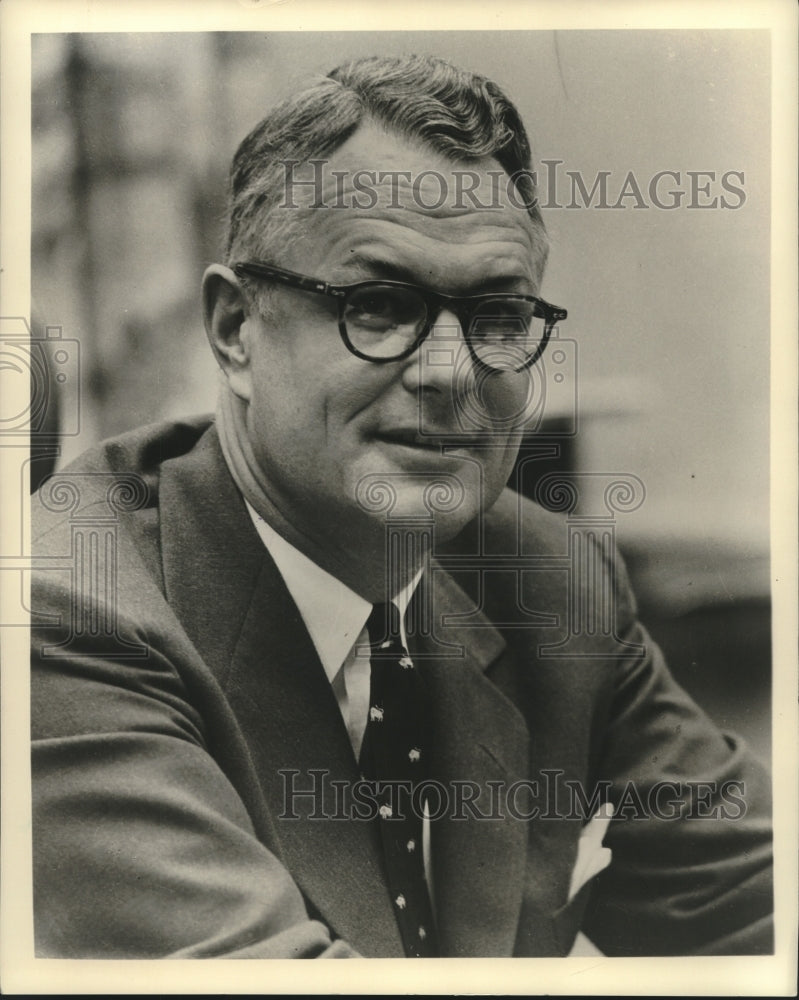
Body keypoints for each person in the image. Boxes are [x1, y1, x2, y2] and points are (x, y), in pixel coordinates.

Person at [30, 54, 772, 959]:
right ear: (234, 330)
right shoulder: (68, 611)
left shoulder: (550, 578)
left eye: (498, 316)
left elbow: (754, 904)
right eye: (380, 306)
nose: (449, 372)